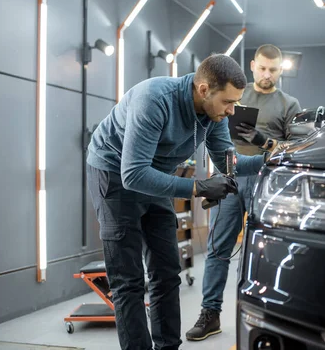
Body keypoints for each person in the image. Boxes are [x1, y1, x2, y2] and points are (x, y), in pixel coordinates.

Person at [86, 54, 274, 350]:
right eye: (228, 102)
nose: (232, 110)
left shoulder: (213, 115)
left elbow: (229, 163)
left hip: (155, 175)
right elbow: (133, 174)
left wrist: (271, 160)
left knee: (166, 273)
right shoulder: (154, 99)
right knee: (129, 281)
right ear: (203, 90)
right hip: (113, 175)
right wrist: (197, 187)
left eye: (235, 102)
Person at [186, 44, 303, 341]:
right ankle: (210, 313)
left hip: (268, 183)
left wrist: (265, 143)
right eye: (262, 68)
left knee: (272, 253)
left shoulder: (290, 104)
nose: (267, 74)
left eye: (273, 70)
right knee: (217, 249)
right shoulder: (235, 94)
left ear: (281, 70)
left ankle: (272, 319)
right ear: (252, 66)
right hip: (230, 178)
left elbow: (296, 150)